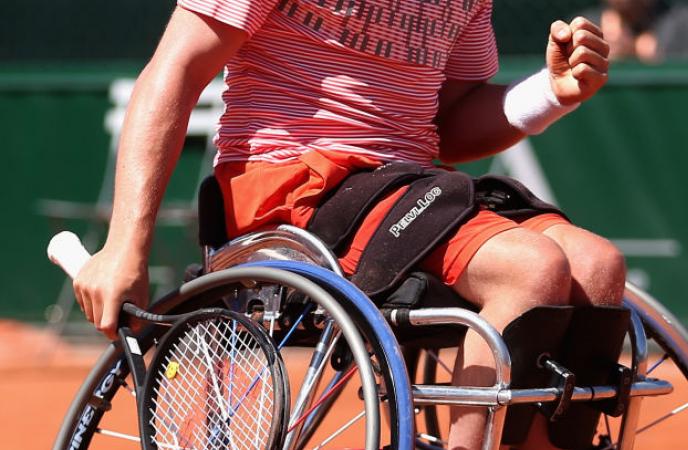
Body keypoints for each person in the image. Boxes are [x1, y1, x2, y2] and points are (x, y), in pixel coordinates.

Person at [72, 1, 624, 448]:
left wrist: (549, 94)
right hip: (290, 184)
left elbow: (451, 122)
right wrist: (125, 245)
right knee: (530, 269)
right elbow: (176, 68)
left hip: (406, 186)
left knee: (599, 267)